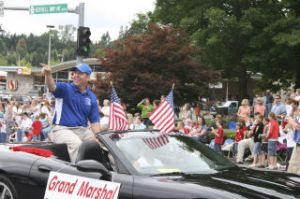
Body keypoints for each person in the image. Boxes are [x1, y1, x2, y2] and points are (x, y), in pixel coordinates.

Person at [41, 63, 101, 163]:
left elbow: (95, 122)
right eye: (74, 73)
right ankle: (80, 173)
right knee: (77, 145)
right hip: (62, 129)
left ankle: (111, 173)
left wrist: (99, 138)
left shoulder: (91, 97)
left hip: (83, 130)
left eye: (80, 73)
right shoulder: (65, 88)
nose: (75, 75)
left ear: (87, 76)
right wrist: (48, 74)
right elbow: (52, 87)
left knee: (100, 146)